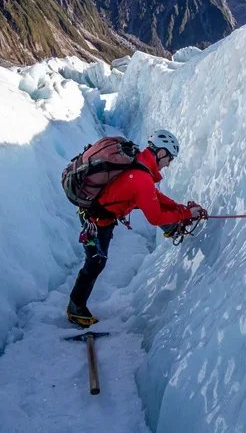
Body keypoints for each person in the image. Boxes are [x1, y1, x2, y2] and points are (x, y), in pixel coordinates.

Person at [66, 129, 208, 328]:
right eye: (170, 158)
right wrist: (186, 214)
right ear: (160, 153)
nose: (169, 164)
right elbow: (154, 215)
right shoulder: (141, 177)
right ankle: (75, 308)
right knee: (95, 263)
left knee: (96, 261)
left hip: (97, 216)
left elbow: (153, 198)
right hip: (96, 222)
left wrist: (180, 209)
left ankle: (171, 227)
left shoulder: (138, 165)